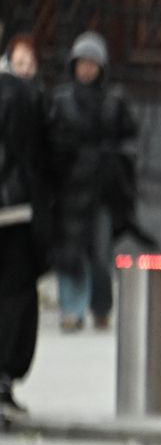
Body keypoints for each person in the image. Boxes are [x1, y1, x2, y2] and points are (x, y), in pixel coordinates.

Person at [47, 32, 137, 333]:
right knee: (69, 251)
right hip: (69, 187)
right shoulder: (61, 101)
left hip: (101, 188)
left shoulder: (114, 102)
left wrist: (115, 163)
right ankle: (71, 309)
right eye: (81, 63)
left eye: (92, 63)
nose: (86, 69)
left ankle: (101, 307)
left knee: (100, 253)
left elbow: (129, 139)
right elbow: (50, 141)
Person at [0, 66, 52, 421]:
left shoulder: (20, 94)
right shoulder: (24, 94)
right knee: (15, 296)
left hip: (15, 208)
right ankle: (4, 377)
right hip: (16, 209)